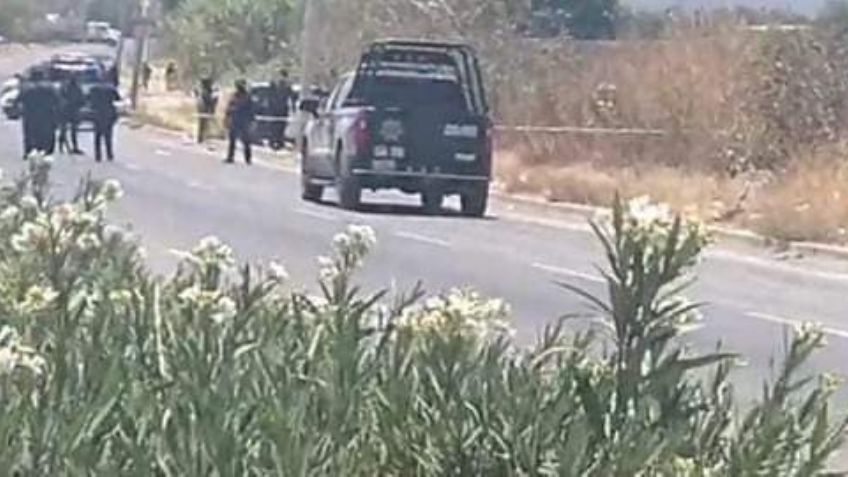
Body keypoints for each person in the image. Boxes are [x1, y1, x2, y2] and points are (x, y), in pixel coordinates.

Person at [19, 69, 60, 158]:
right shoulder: (50, 87)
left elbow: (20, 99)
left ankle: (30, 150)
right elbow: (57, 101)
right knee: (47, 134)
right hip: (47, 115)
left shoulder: (27, 87)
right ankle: (46, 150)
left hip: (31, 115)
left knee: (30, 134)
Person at [88, 81, 121, 162]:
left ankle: (98, 155)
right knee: (108, 136)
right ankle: (109, 154)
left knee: (97, 136)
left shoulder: (93, 89)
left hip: (97, 113)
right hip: (108, 113)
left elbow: (87, 99)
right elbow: (118, 99)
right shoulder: (111, 89)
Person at [224, 79, 255, 165]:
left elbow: (251, 110)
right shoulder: (234, 96)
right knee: (232, 140)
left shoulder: (247, 97)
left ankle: (248, 159)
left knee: (246, 141)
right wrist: (227, 118)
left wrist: (252, 121)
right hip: (234, 120)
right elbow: (228, 108)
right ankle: (230, 157)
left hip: (244, 121)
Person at [58, 76, 85, 155]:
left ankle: (61, 147)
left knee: (64, 129)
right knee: (73, 130)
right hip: (73, 110)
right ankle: (73, 147)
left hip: (65, 110)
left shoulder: (64, 87)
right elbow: (82, 99)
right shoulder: (77, 88)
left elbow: (60, 97)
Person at [270, 69, 295, 149]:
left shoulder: (286, 86)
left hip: (281, 108)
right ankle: (275, 140)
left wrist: (293, 108)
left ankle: (278, 141)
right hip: (277, 108)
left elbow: (291, 97)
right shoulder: (279, 85)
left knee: (280, 125)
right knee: (277, 125)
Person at [195, 77, 218, 144]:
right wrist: (214, 99)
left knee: (203, 125)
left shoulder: (204, 91)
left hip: (203, 110)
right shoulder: (205, 92)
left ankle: (201, 138)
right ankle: (202, 138)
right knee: (204, 124)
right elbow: (209, 101)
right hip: (205, 111)